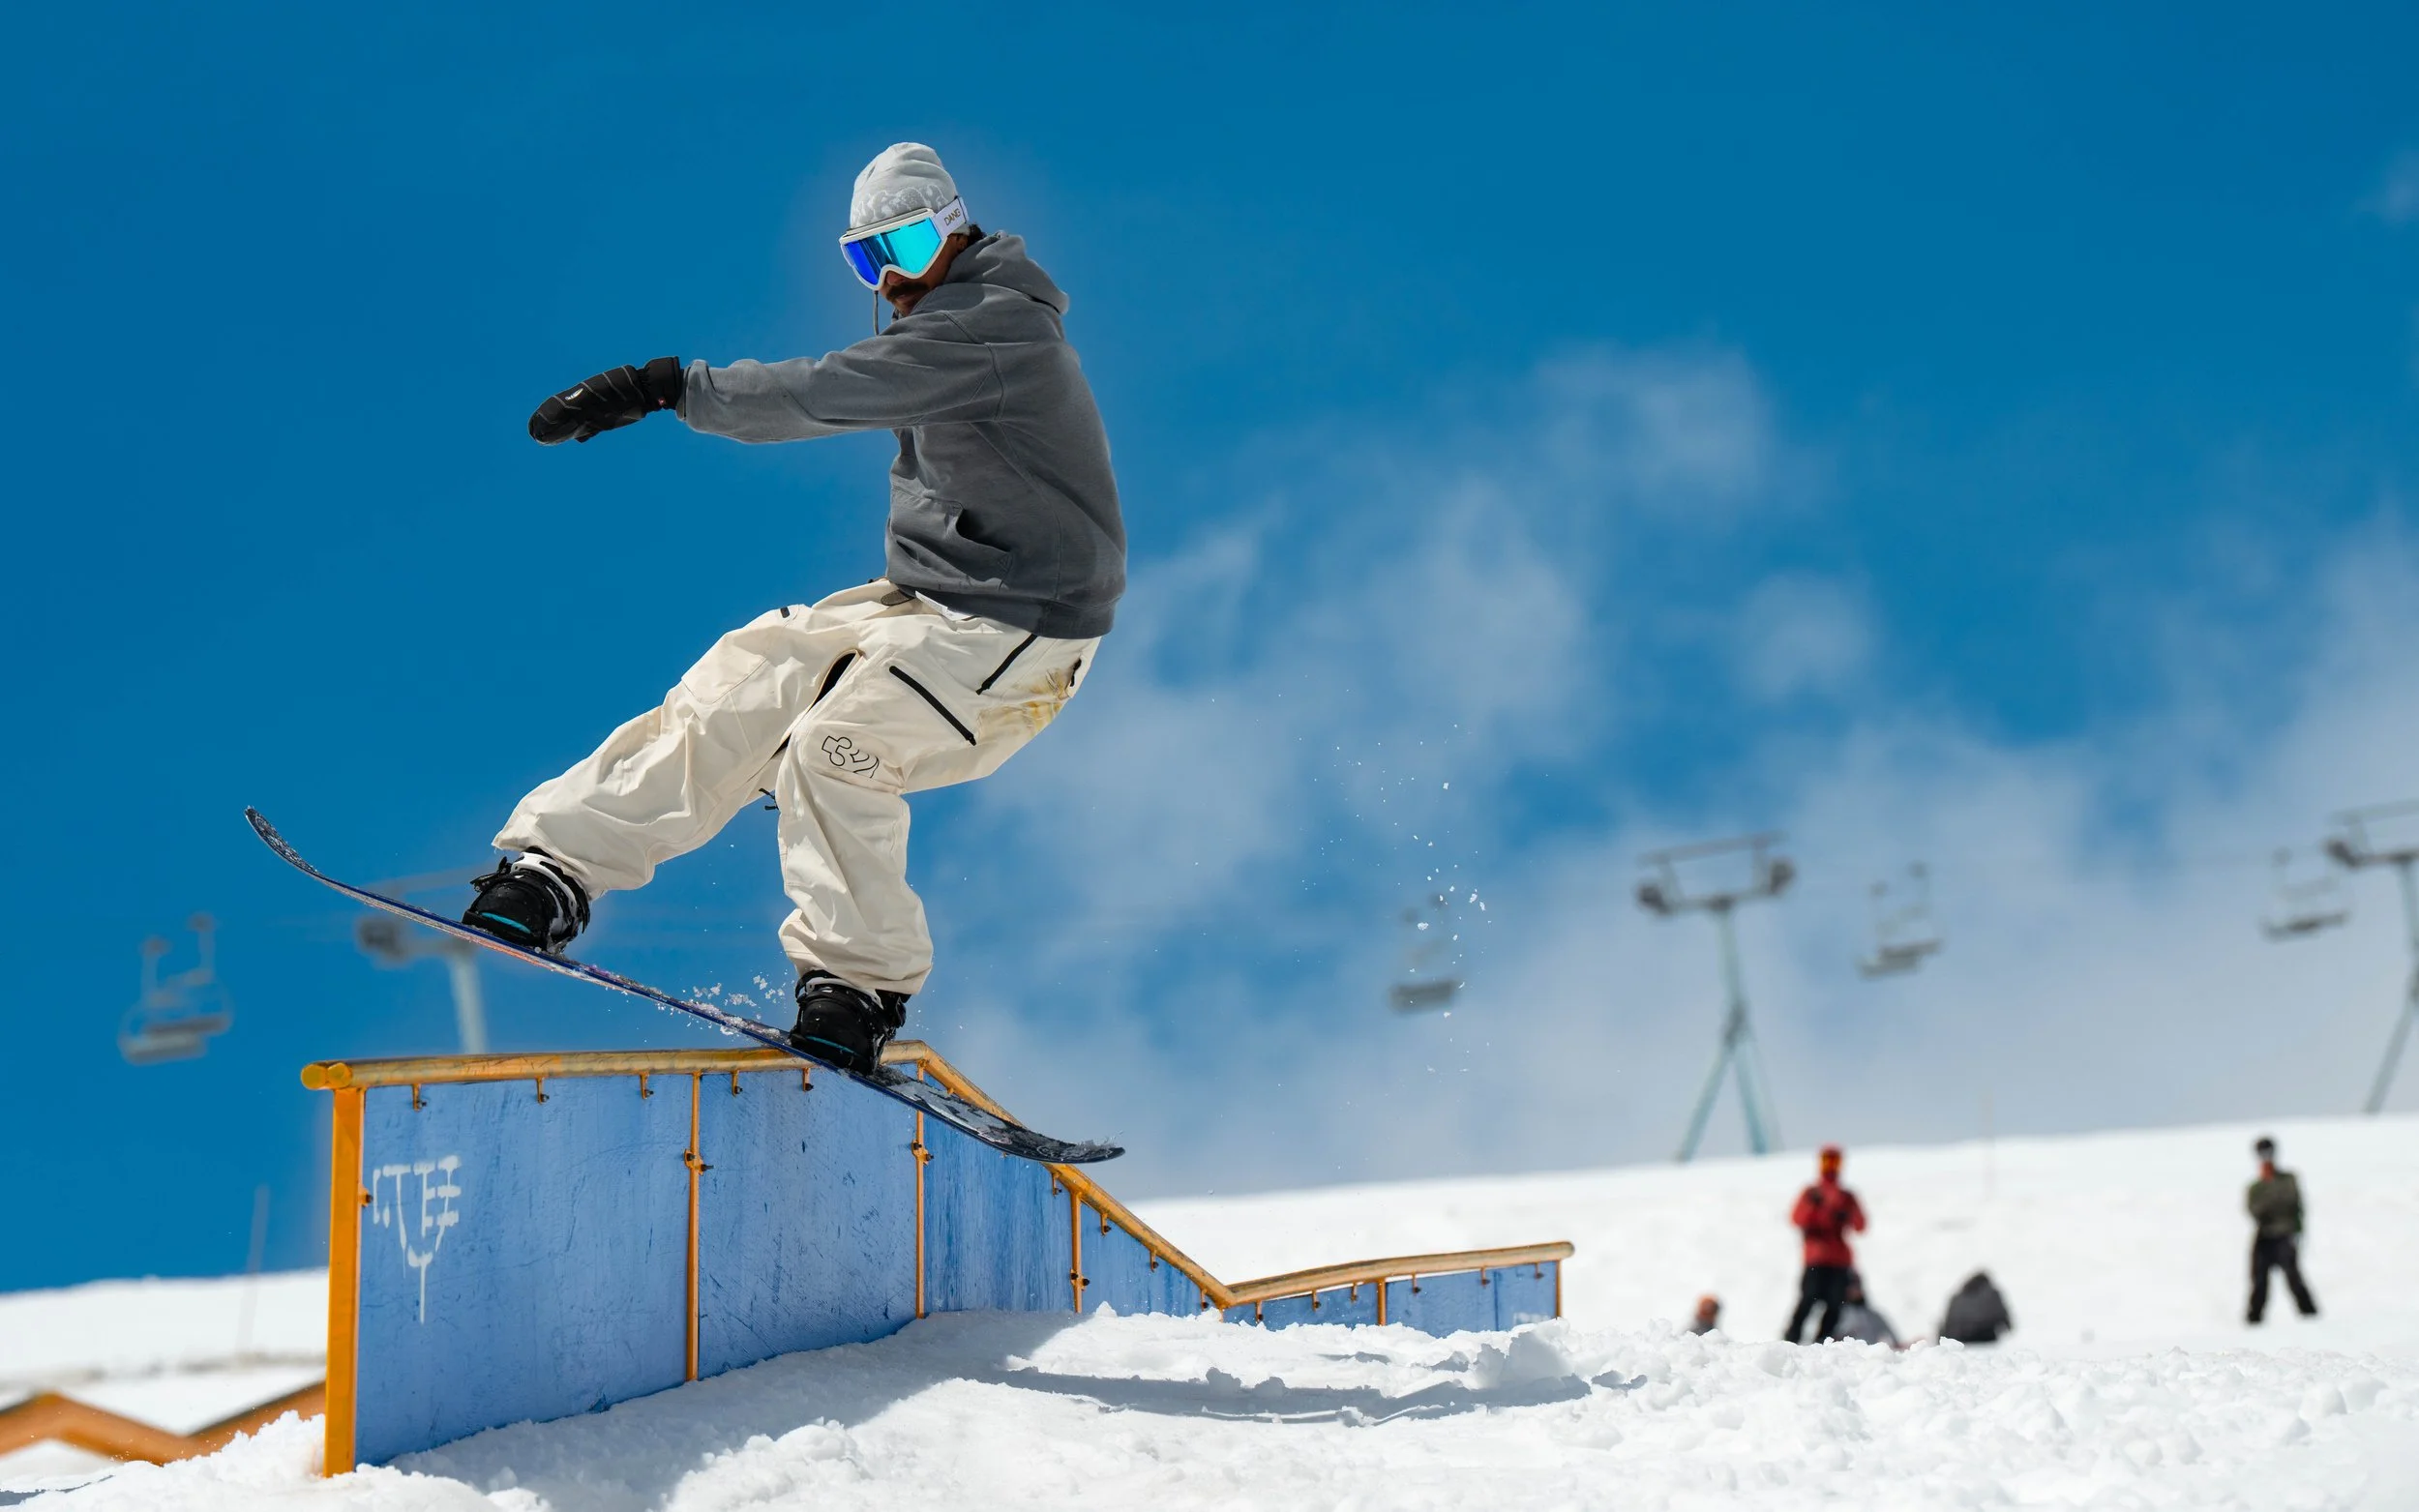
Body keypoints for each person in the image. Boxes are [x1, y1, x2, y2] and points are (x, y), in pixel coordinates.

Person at [464, 143, 1124, 1074]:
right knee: (746, 676)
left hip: (1024, 627)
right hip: (927, 603)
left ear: (955, 225)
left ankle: (857, 986)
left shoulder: (990, 328)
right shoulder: (938, 322)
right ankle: (551, 870)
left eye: (907, 241)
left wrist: (667, 387)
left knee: (835, 748)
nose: (890, 273)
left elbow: (820, 394)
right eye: (868, 256)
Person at [1784, 1144, 1867, 1343]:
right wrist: (1814, 1206)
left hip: (1839, 1261)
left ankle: (1822, 1341)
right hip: (1815, 1258)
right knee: (1808, 1300)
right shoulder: (1811, 1193)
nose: (1831, 1166)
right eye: (1827, 1160)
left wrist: (1846, 1214)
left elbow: (1861, 1225)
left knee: (1835, 1304)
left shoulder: (1846, 1196)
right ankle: (1791, 1340)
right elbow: (1796, 1218)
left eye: (1835, 1161)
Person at [2246, 1135, 2319, 1323]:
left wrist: (2298, 1231)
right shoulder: (2255, 1187)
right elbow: (2254, 1211)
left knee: (2293, 1278)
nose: (2266, 1156)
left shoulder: (2288, 1179)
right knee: (2259, 1281)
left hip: (2284, 1235)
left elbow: (2294, 1205)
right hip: (2264, 1238)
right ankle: (2254, 1321)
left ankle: (2310, 1315)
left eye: (2268, 1151)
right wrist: (2266, 1185)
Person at [1938, 1270, 2013, 1344]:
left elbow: (1947, 1321)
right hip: (1985, 1337)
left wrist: (1941, 1339)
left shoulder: (1957, 1297)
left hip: (1959, 1338)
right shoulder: (1992, 1294)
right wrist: (2009, 1326)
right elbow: (2000, 1312)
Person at [1833, 1272, 1900, 1347]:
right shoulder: (1840, 1313)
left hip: (1870, 1351)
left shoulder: (1873, 1315)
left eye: (1857, 1288)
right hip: (1851, 1353)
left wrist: (1896, 1343)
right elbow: (1836, 1336)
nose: (1855, 1291)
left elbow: (1888, 1331)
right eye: (1852, 1288)